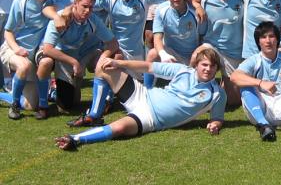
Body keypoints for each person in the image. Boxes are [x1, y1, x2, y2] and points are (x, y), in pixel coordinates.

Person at [55, 46, 226, 151]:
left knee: (119, 129)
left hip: (150, 119)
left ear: (217, 68)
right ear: (196, 65)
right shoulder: (182, 70)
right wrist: (120, 64)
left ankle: (75, 139)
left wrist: (215, 124)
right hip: (142, 95)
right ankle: (95, 114)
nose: (208, 69)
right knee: (103, 67)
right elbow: (149, 66)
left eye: (212, 66)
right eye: (204, 64)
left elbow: (217, 118)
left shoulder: (217, 94)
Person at [66, 0, 166, 127]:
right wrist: (65, 11)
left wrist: (194, 3)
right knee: (105, 66)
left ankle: (144, 101)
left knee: (143, 89)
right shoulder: (110, 0)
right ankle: (97, 112)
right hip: (119, 51)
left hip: (138, 55)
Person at [40, 0, 118, 114]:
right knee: (66, 106)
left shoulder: (93, 19)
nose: (87, 11)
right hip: (58, 54)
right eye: (84, 6)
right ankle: (49, 94)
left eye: (91, 7)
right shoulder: (61, 18)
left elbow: (113, 43)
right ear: (75, 4)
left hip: (78, 54)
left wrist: (104, 57)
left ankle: (108, 99)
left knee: (70, 104)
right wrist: (74, 63)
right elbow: (47, 49)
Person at [0, 0, 61, 119]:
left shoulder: (53, 2)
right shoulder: (20, 2)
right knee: (24, 65)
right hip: (12, 49)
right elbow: (8, 32)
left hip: (33, 55)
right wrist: (16, 49)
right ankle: (14, 106)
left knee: (29, 105)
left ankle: (10, 97)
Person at [194, 0, 245, 106]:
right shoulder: (205, 2)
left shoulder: (241, 0)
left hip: (234, 53)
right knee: (196, 57)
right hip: (213, 48)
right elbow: (202, 33)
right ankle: (196, 90)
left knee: (233, 102)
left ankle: (223, 85)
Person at [145, 0, 200, 79]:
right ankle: (147, 89)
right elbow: (157, 38)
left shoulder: (196, 12)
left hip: (193, 56)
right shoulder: (161, 10)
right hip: (173, 54)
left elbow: (203, 37)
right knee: (152, 54)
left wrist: (198, 55)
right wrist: (163, 54)